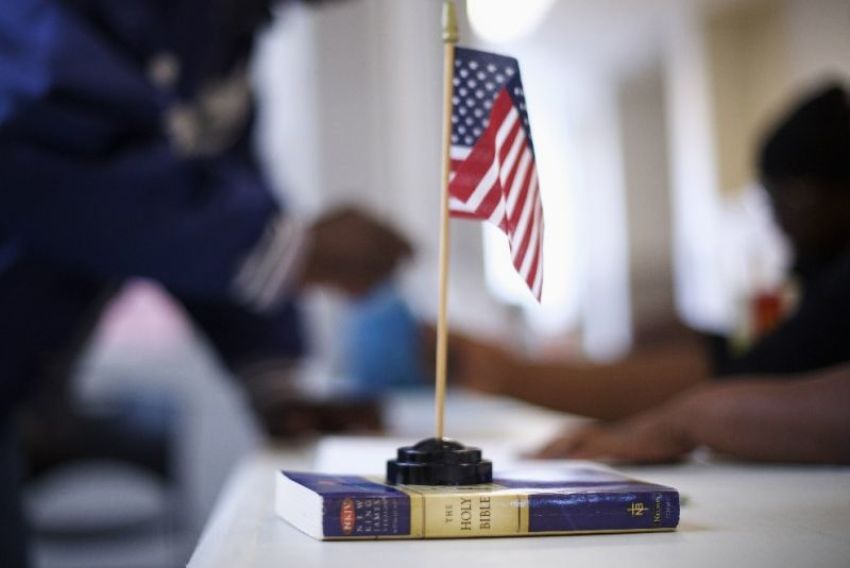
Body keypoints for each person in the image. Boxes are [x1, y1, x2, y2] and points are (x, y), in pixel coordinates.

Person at [0, 0, 411, 565]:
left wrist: (275, 379)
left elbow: (207, 179)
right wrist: (285, 249)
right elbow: (45, 153)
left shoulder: (223, 29)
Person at [450, 83, 850, 465]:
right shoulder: (818, 270)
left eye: (780, 198)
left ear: (817, 192)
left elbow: (768, 374)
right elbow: (775, 356)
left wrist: (684, 420)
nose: (776, 219)